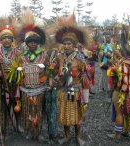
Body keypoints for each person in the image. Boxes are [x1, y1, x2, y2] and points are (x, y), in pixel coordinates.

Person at [55, 14, 88, 145]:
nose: (67, 46)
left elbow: (86, 75)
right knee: (65, 114)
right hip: (64, 90)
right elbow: (53, 71)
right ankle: (67, 136)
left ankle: (78, 137)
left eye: (69, 43)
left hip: (74, 90)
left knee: (76, 114)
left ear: (74, 45)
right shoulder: (59, 57)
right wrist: (55, 77)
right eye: (65, 43)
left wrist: (85, 92)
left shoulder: (80, 58)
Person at [17, 9, 47, 140]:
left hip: (39, 89)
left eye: (35, 41)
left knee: (38, 110)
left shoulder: (44, 55)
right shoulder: (21, 56)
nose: (33, 43)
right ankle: (29, 130)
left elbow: (49, 71)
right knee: (27, 110)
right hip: (26, 89)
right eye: (30, 42)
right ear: (27, 43)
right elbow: (17, 72)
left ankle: (38, 132)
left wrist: (45, 71)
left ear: (38, 42)